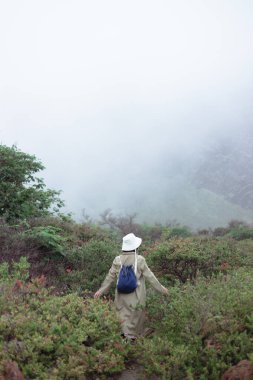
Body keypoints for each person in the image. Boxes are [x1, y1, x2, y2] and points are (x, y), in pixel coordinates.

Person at [94, 233, 169, 340]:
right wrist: (162, 290)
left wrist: (100, 291)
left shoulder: (117, 260)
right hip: (136, 295)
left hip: (121, 295)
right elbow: (151, 277)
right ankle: (134, 340)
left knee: (122, 316)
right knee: (135, 317)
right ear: (135, 246)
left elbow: (109, 277)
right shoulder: (140, 260)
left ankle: (122, 338)